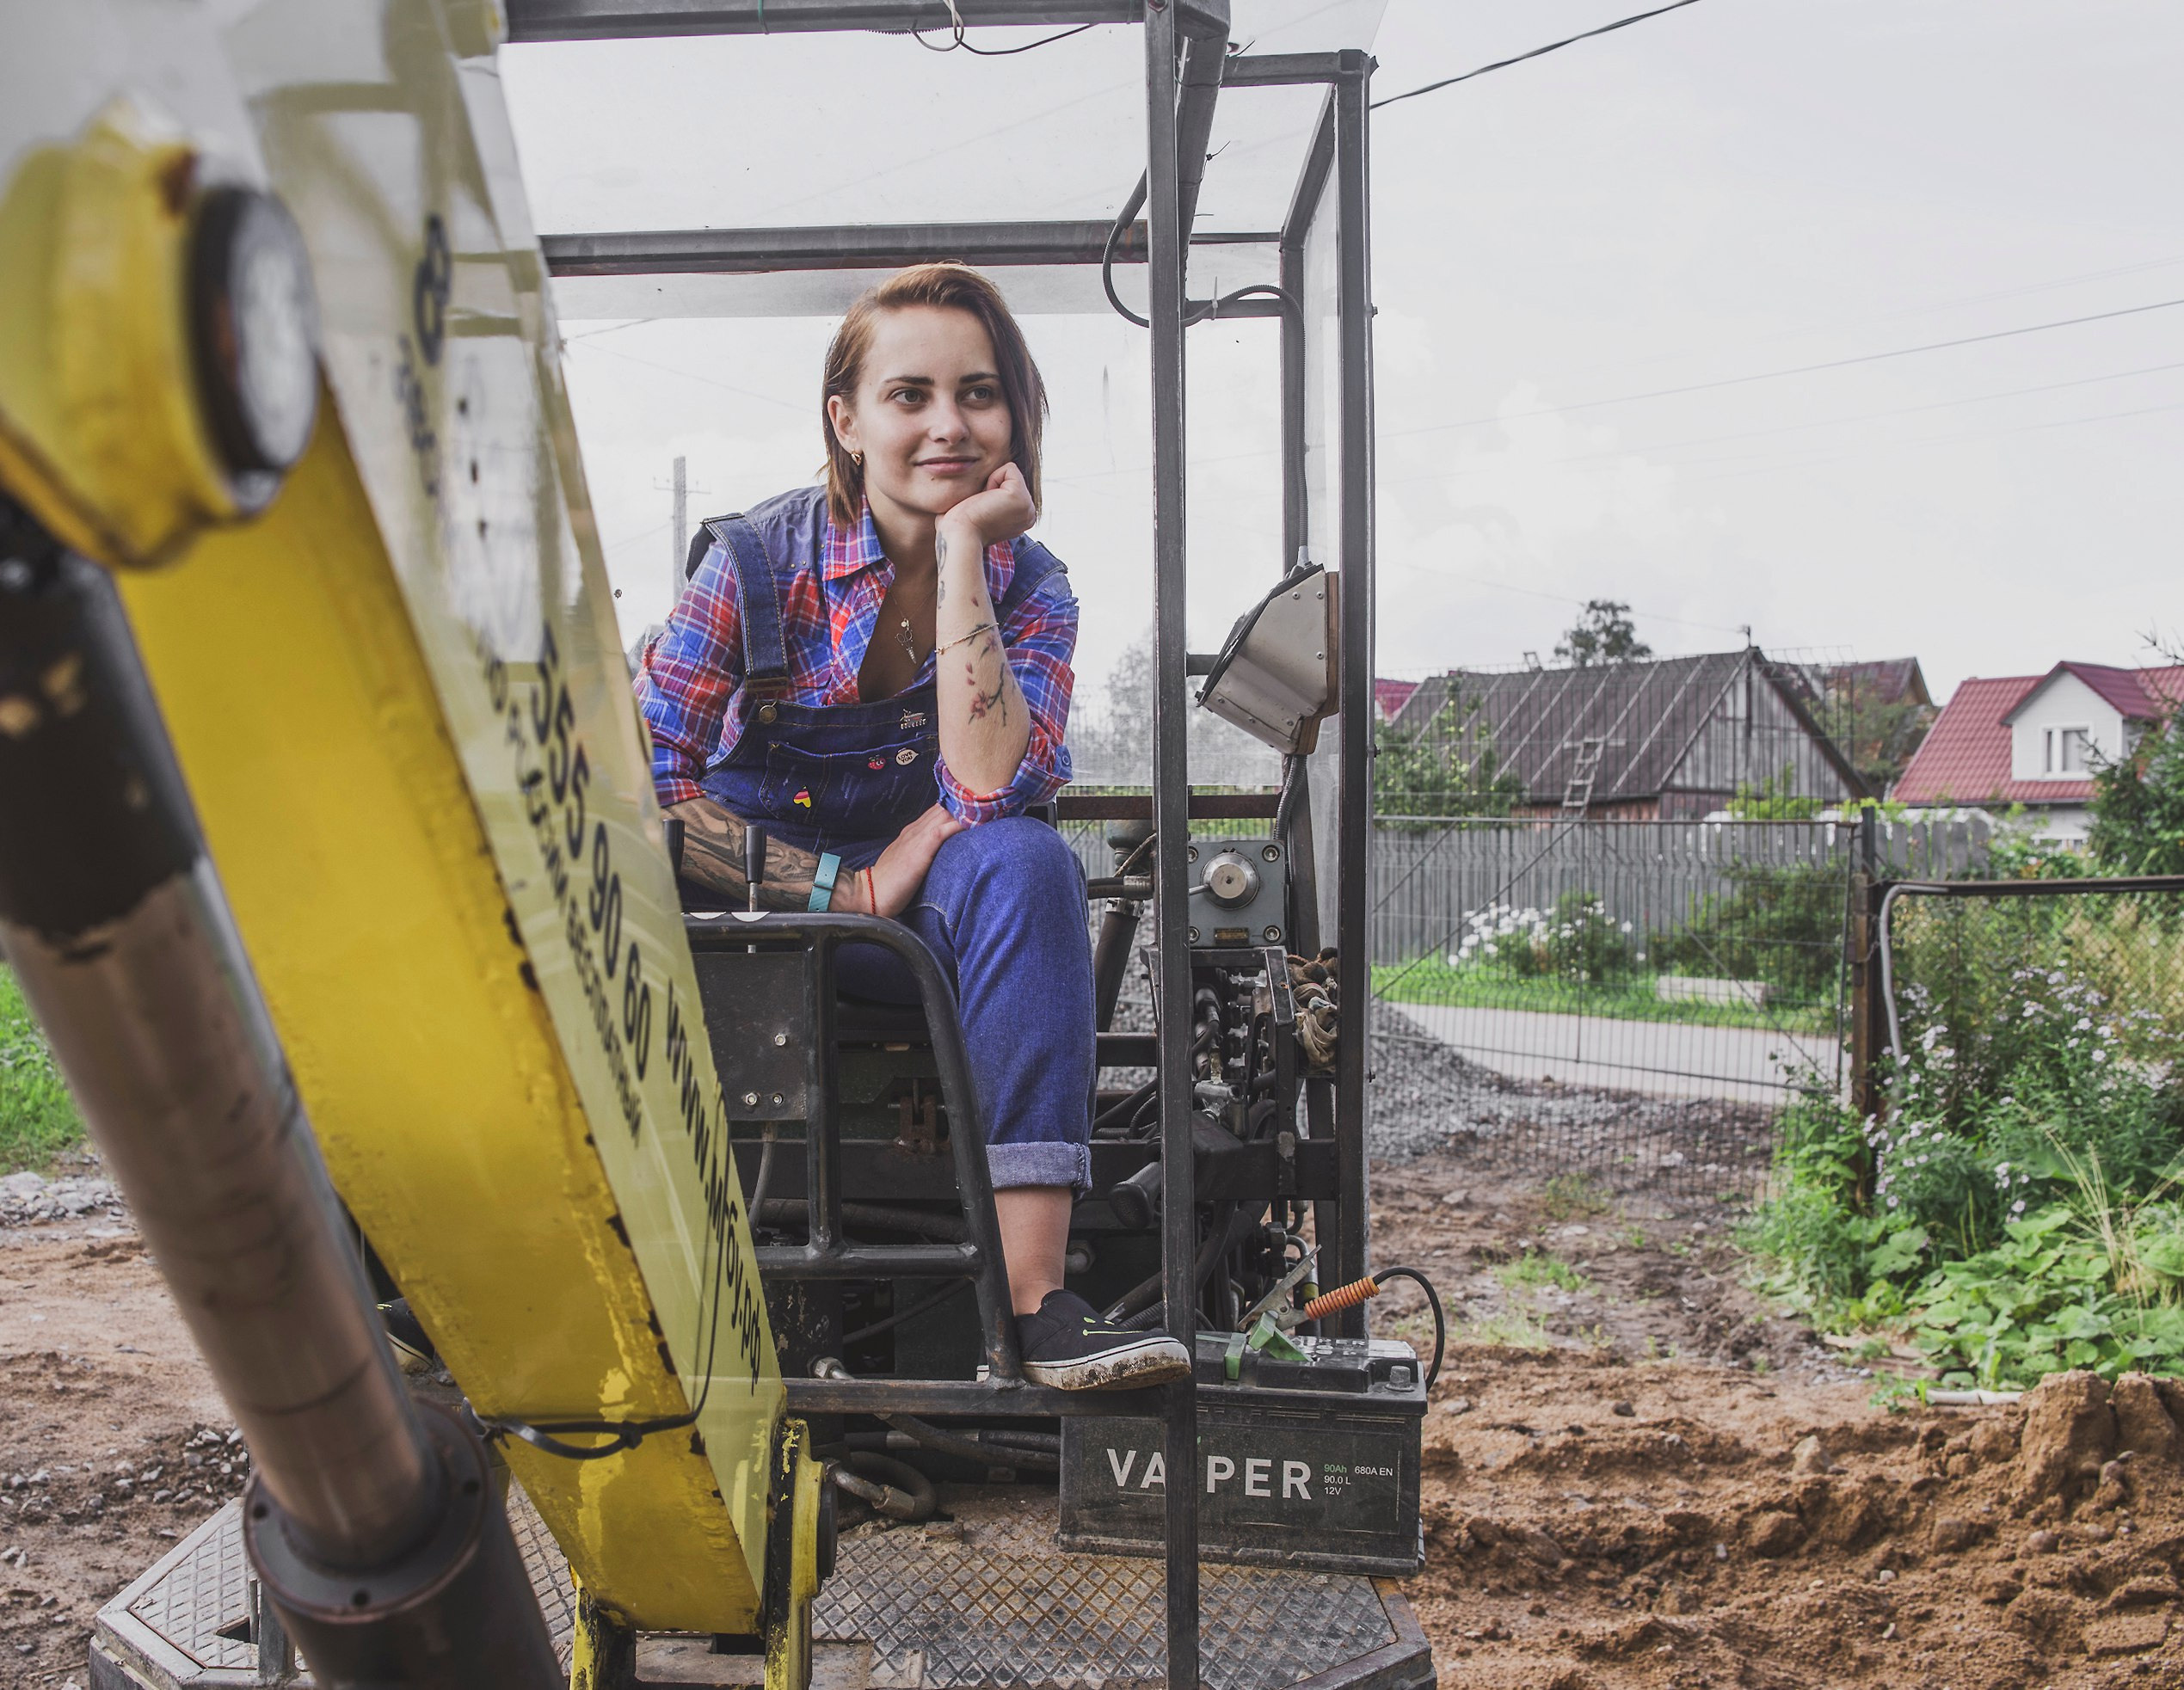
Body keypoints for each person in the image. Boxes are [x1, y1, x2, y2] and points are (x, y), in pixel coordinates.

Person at [635, 263, 1190, 1390]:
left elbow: (987, 793)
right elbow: (649, 784)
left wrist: (967, 559)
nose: (948, 424)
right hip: (755, 937)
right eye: (909, 394)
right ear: (845, 421)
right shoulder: (749, 569)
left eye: (979, 393)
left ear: (1017, 416)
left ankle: (1034, 1306)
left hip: (930, 950)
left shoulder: (1030, 585)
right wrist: (841, 884)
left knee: (1029, 861)